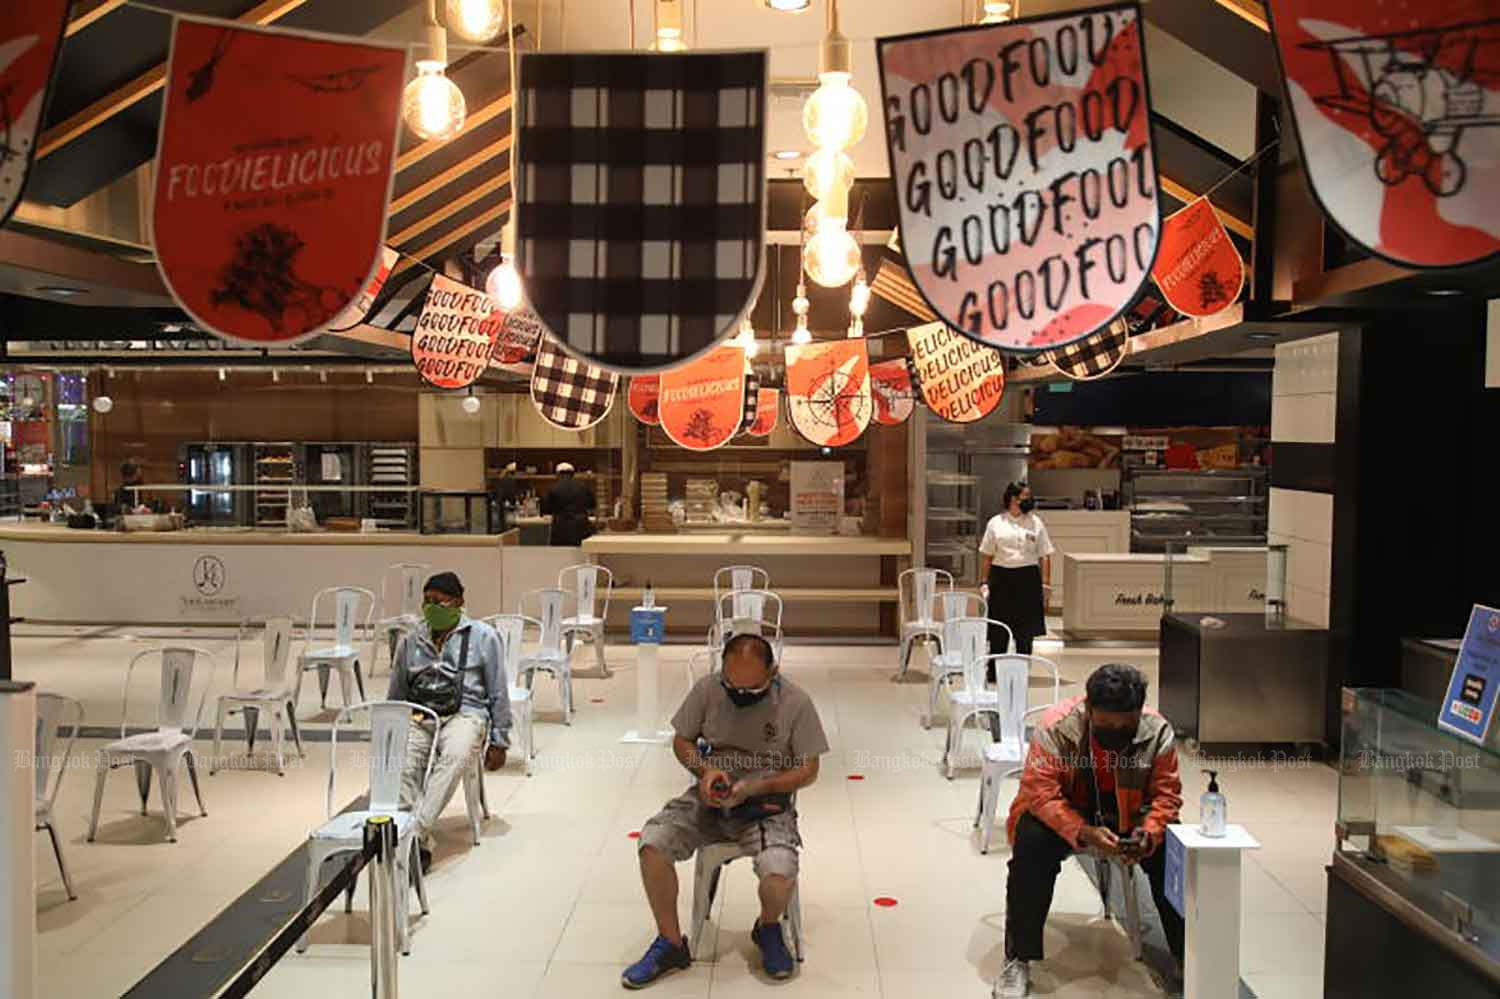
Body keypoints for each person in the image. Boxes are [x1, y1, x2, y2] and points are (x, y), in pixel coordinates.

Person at [623, 634, 829, 988]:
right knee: (652, 844)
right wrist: (704, 771)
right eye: (732, 685)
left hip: (766, 805)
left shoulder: (796, 702)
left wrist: (759, 786)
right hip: (709, 797)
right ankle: (671, 942)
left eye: (751, 689)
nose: (739, 694)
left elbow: (809, 770)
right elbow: (681, 740)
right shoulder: (708, 690)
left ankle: (767, 927)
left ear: (773, 672)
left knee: (778, 874)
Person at [995, 664, 1184, 998]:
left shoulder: (1157, 731)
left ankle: (1186, 956)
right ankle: (1018, 958)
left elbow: (1167, 796)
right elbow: (1041, 793)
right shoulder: (1057, 727)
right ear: (1089, 709)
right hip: (1068, 807)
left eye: (1124, 726)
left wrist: (1150, 832)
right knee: (1031, 845)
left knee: (1175, 851)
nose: (1115, 732)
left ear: (1139, 713)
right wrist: (1083, 831)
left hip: (1130, 808)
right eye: (1105, 725)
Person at [387, 571, 510, 872]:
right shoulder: (412, 638)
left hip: (466, 712)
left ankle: (415, 833)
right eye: (426, 601)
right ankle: (416, 839)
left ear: (458, 602)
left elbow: (498, 689)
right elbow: (398, 688)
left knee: (455, 756)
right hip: (420, 713)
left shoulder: (483, 636)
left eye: (438, 601)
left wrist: (499, 739)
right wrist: (391, 727)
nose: (430, 607)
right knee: (401, 763)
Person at [979, 481, 1054, 658]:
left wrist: (1046, 584)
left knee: (1026, 631)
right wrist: (984, 582)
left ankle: (1022, 668)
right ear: (1013, 499)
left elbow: (1045, 555)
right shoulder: (996, 523)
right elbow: (987, 555)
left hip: (1027, 577)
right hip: (1001, 577)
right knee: (998, 627)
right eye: (1025, 497)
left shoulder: (1035, 523)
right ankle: (994, 668)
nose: (1029, 500)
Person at [542, 461, 596, 546]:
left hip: (560, 527)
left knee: (560, 554)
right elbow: (592, 505)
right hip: (580, 526)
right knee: (582, 555)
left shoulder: (552, 488)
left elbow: (546, 510)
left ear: (558, 474)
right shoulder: (584, 487)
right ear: (573, 474)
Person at [492, 461, 521, 530]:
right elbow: (511, 496)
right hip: (505, 511)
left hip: (500, 510)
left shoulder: (501, 480)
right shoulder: (510, 481)